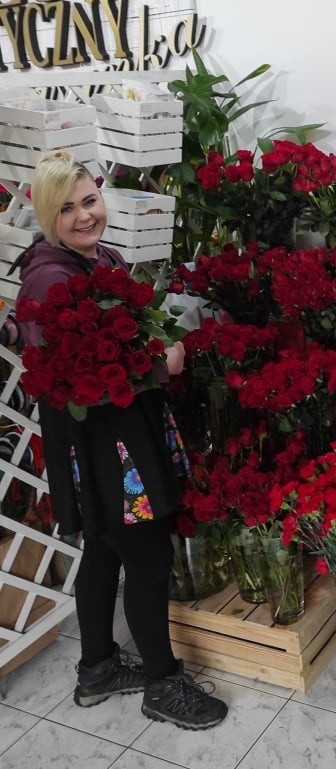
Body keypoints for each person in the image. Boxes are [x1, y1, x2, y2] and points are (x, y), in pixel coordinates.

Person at [14, 150, 227, 731]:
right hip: (102, 449)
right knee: (148, 555)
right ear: (44, 213)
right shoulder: (50, 277)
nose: (85, 215)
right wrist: (162, 365)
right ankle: (162, 683)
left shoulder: (97, 258)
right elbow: (77, 376)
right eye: (67, 208)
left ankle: (98, 669)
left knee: (105, 550)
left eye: (89, 200)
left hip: (118, 438)